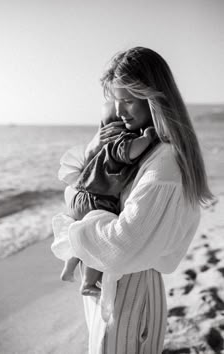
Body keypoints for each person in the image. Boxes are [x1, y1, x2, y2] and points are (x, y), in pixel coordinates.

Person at [51, 47, 213, 354]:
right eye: (115, 100)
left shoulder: (165, 162)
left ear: (153, 100)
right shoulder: (137, 146)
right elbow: (82, 181)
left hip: (128, 289)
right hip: (111, 284)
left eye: (127, 100)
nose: (120, 110)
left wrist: (81, 218)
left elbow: (122, 243)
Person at [58, 100, 159, 296]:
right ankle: (87, 283)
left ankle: (69, 268)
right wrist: (147, 137)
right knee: (97, 242)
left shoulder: (99, 148)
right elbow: (130, 150)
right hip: (96, 202)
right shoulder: (119, 142)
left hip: (81, 197)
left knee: (82, 235)